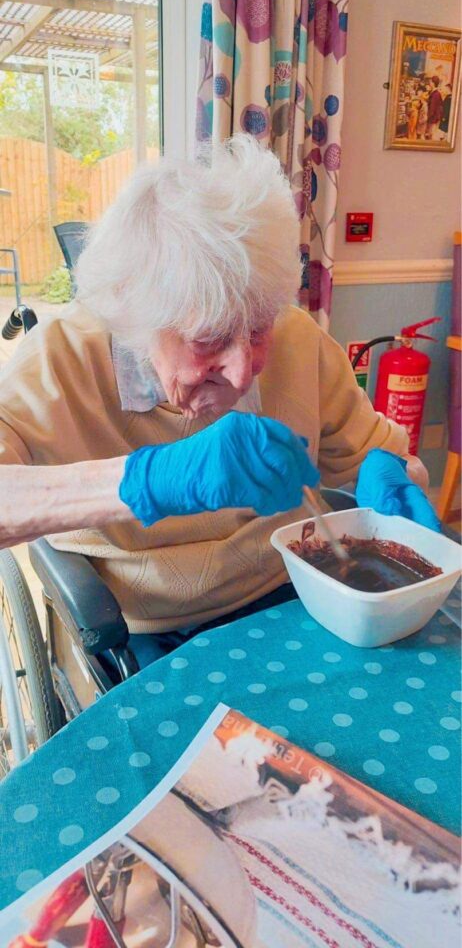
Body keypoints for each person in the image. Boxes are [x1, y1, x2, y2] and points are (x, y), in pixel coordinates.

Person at [0, 137, 439, 664]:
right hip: (143, 625)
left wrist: (390, 471)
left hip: (292, 588)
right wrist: (147, 480)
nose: (242, 369)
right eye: (208, 337)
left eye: (258, 328)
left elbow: (383, 455)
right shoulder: (58, 361)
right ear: (137, 319)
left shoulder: (301, 341)